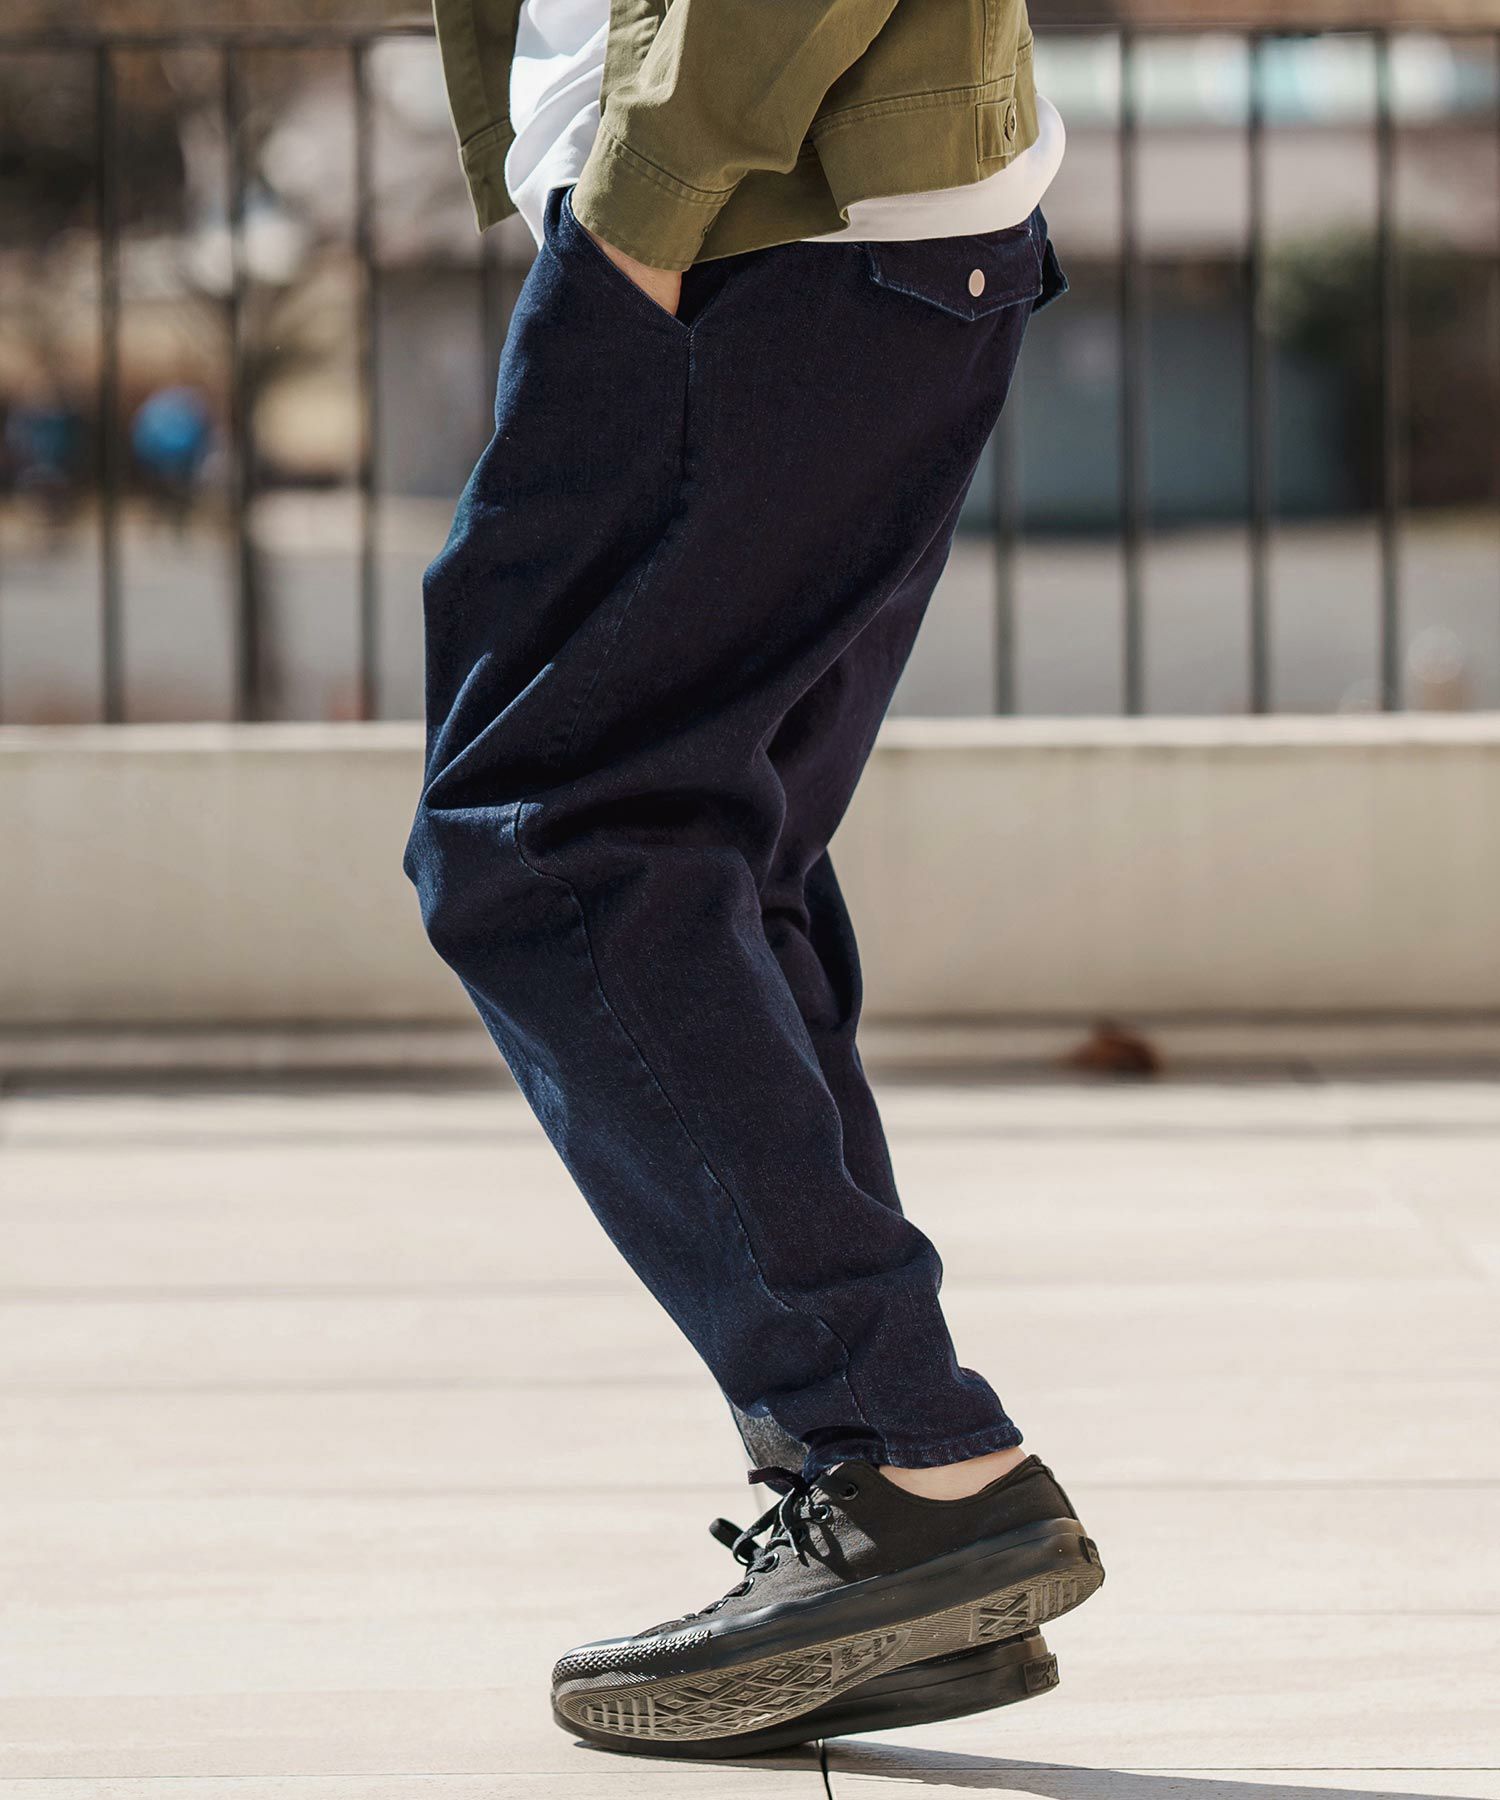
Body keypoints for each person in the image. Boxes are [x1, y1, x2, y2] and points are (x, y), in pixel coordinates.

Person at [404, 0, 1102, 1757]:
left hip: (755, 224)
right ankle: (894, 1491)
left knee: (553, 842)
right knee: (708, 842)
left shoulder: (688, 206)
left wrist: (638, 209)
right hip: (844, 233)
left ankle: (903, 1454)